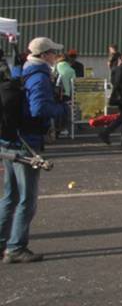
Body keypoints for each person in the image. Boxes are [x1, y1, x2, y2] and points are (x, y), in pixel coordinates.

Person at [0, 36, 70, 263]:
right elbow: (39, 108)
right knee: (27, 199)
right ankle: (16, 247)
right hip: (27, 143)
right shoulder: (39, 76)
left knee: (11, 196)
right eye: (53, 53)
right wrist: (61, 108)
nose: (55, 56)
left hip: (11, 139)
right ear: (45, 55)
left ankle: (3, 242)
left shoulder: (22, 70)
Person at [99, 49, 122, 146]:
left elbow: (114, 80)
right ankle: (106, 133)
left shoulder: (119, 67)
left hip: (121, 95)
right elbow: (118, 82)